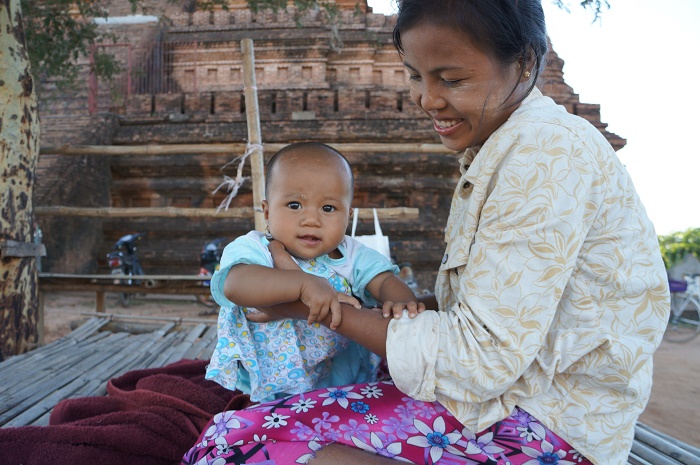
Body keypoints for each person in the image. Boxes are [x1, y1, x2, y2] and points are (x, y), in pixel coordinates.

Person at [183, 1, 669, 464]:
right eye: (415, 76)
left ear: (523, 62)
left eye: (451, 79)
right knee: (248, 426)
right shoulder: (513, 143)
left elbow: (476, 365)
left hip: (545, 424)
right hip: (518, 399)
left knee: (233, 446)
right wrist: (403, 307)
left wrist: (310, 305)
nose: (427, 99)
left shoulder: (543, 155)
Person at [205, 141, 425, 402]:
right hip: (266, 380)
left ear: (348, 216)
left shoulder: (350, 254)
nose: (312, 220)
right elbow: (235, 284)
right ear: (266, 211)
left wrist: (401, 303)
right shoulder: (254, 249)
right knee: (268, 425)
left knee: (344, 409)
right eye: (295, 205)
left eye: (328, 208)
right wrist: (301, 284)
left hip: (338, 378)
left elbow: (384, 278)